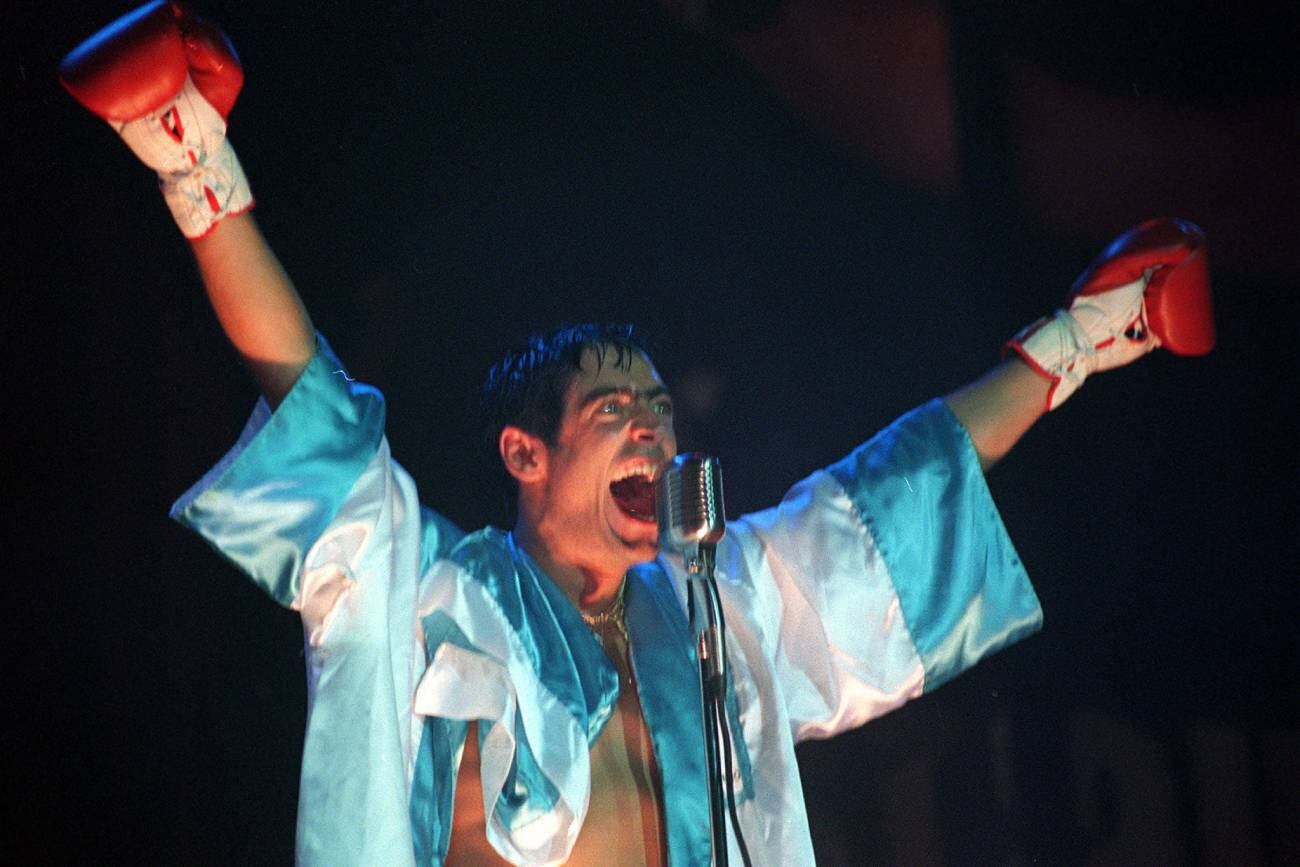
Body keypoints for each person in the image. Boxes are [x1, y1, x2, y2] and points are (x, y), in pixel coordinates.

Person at [61, 4, 1214, 865]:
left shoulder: (719, 614)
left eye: (661, 413)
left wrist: (1077, 338)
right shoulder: (432, 597)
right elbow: (315, 411)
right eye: (614, 408)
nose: (652, 432)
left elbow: (890, 497)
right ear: (527, 453)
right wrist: (198, 169)